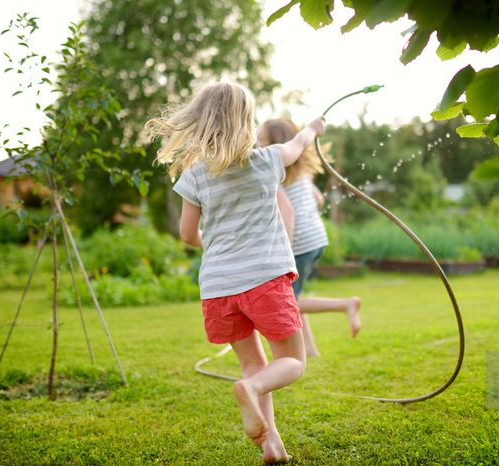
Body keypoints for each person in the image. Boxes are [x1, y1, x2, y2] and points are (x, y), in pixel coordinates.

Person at [146, 82, 325, 464]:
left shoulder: (195, 175)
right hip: (265, 280)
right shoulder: (267, 159)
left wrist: (219, 241)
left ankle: (271, 443)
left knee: (251, 363)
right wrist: (312, 128)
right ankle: (252, 389)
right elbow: (299, 144)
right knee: (292, 362)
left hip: (218, 288)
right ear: (246, 121)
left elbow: (187, 235)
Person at [257, 118, 361, 358]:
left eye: (262, 139)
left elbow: (288, 212)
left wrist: (286, 250)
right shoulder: (300, 172)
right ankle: (311, 351)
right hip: (316, 239)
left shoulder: (276, 172)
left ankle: (345, 304)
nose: (256, 143)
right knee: (295, 295)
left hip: (300, 245)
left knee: (287, 302)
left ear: (278, 144)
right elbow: (319, 199)